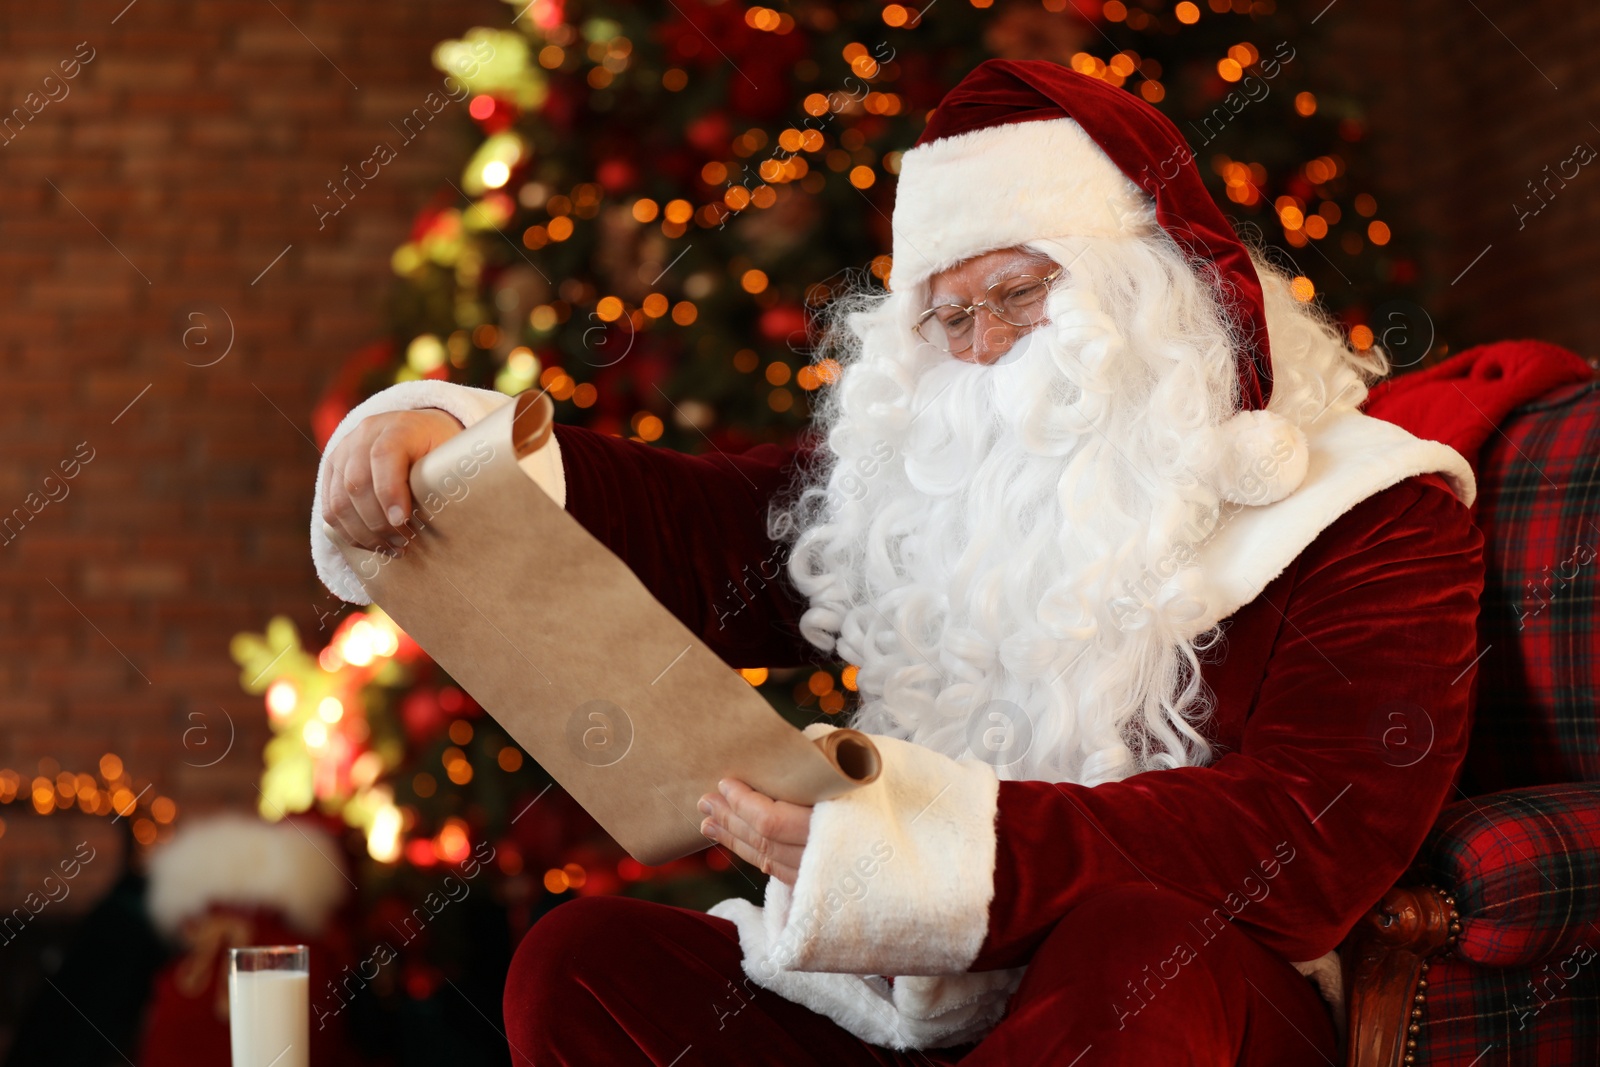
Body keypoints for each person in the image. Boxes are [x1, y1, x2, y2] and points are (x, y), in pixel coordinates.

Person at [310, 58, 1484, 1065]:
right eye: (946, 317)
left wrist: (925, 850)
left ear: (1148, 287)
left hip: (1190, 1006)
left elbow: (1302, 833)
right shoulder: (932, 480)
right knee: (587, 961)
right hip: (914, 1006)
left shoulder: (1366, 506)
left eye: (1017, 296)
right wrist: (452, 453)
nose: (982, 354)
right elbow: (702, 529)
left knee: (1138, 947)